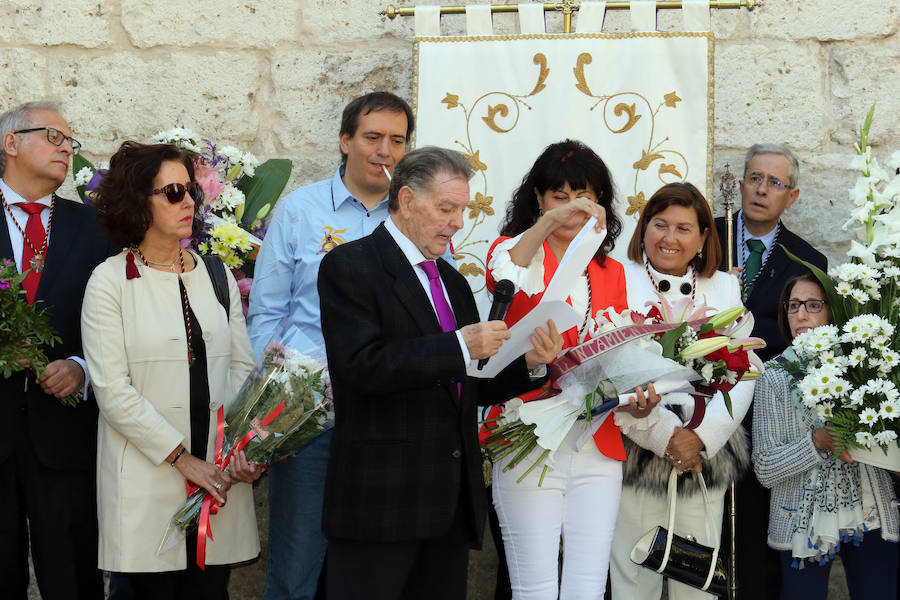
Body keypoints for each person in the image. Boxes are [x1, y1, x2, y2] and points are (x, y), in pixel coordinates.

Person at [317, 146, 564, 600]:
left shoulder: (450, 282)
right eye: (446, 208)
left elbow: (471, 383)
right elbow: (361, 367)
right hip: (382, 503)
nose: (456, 222)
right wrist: (458, 345)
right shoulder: (351, 266)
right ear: (408, 201)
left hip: (449, 505)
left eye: (462, 210)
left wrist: (531, 365)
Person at [246, 91, 414, 600]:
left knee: (369, 571)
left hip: (387, 417)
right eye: (372, 137)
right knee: (295, 568)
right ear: (346, 141)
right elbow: (267, 313)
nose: (384, 150)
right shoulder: (300, 210)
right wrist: (266, 409)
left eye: (397, 140)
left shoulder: (415, 217)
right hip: (306, 416)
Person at [81, 141, 263, 597]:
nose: (187, 202)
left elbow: (242, 370)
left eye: (190, 192)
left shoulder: (217, 274)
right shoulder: (108, 282)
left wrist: (245, 449)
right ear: (137, 203)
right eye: (172, 192)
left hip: (218, 483)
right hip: (147, 481)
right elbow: (113, 392)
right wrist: (184, 461)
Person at [480, 139, 659, 598]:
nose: (574, 209)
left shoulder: (611, 270)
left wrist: (637, 391)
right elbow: (507, 272)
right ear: (538, 198)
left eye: (585, 197)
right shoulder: (512, 250)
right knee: (534, 586)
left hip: (596, 440)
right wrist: (549, 223)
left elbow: (614, 350)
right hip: (527, 431)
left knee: (587, 584)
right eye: (561, 196)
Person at [610, 182, 755, 600]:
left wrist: (700, 439)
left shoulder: (724, 289)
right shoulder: (620, 279)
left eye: (683, 228)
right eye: (660, 225)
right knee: (633, 577)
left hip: (703, 460)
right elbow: (608, 372)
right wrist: (664, 436)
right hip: (636, 454)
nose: (669, 238)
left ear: (704, 237)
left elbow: (745, 373)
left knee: (697, 582)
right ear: (643, 229)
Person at [0, 100, 116, 600]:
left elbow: (118, 326)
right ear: (11, 143)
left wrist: (82, 367)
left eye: (71, 142)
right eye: (54, 137)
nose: (67, 148)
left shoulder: (96, 229)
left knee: (73, 578)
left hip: (66, 435)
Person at [714, 143, 828, 598]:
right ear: (741, 184)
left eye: (774, 183)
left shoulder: (807, 261)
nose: (761, 190)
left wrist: (737, 321)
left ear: (791, 197)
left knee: (757, 545)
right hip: (703, 410)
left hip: (767, 420)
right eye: (754, 178)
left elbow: (800, 337)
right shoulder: (706, 238)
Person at [752, 274, 898, 599]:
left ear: (833, 311)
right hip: (800, 522)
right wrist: (817, 443)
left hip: (871, 514)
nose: (801, 315)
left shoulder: (866, 363)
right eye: (793, 306)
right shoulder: (773, 377)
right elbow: (764, 468)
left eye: (813, 305)